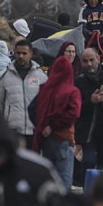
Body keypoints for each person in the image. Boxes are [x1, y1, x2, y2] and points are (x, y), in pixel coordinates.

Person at [73, 48, 103, 178]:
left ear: (98, 59)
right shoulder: (79, 81)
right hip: (87, 131)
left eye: (91, 60)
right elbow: (75, 108)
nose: (89, 64)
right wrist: (91, 101)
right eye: (85, 61)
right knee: (88, 162)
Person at [33, 57, 82, 189]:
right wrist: (54, 126)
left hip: (46, 140)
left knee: (48, 180)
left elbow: (32, 109)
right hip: (64, 140)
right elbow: (73, 113)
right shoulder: (72, 91)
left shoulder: (44, 89)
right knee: (64, 180)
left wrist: (42, 126)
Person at [0, 40, 48, 144]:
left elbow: (47, 104)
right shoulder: (3, 76)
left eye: (24, 53)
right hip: (12, 131)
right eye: (18, 53)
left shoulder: (41, 77)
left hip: (34, 131)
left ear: (31, 54)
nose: (21, 56)